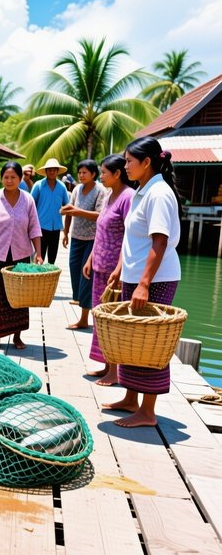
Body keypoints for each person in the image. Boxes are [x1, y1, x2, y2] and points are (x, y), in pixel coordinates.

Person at [103, 137, 182, 427]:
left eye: (129, 162)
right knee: (133, 341)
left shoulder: (159, 193)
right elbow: (134, 238)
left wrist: (144, 284)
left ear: (146, 162)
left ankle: (148, 412)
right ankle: (131, 397)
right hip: (135, 276)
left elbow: (159, 241)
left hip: (155, 279)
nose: (125, 166)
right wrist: (120, 269)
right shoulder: (142, 190)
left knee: (152, 344)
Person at [0, 161, 43, 350]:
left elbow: (35, 229)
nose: (9, 180)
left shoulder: (28, 200)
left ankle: (17, 337)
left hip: (21, 255)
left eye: (13, 177)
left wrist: (38, 253)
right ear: (1, 179)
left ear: (21, 179)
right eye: (6, 177)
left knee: (18, 298)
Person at [83, 154, 135, 386]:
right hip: (100, 266)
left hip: (116, 271)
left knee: (114, 320)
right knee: (101, 317)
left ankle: (115, 372)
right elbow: (101, 230)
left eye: (104, 172)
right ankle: (106, 365)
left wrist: (120, 268)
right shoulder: (108, 196)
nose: (101, 175)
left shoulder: (128, 197)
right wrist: (91, 258)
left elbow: (130, 236)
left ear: (117, 174)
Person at [60, 159, 106, 329]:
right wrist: (65, 232)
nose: (81, 175)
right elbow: (70, 211)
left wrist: (77, 211)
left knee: (86, 276)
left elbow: (100, 215)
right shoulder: (77, 189)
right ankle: (80, 301)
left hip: (93, 239)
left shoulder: (100, 190)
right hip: (76, 237)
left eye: (84, 172)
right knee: (74, 271)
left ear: (93, 174)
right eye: (79, 172)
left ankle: (84, 318)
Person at [31, 158, 70, 264]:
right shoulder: (38, 186)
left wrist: (66, 232)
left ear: (57, 171)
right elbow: (30, 205)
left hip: (56, 228)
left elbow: (67, 206)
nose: (52, 172)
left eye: (54, 169)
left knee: (52, 258)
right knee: (39, 258)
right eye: (49, 169)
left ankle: (49, 280)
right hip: (40, 227)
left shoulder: (62, 187)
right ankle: (37, 279)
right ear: (46, 171)